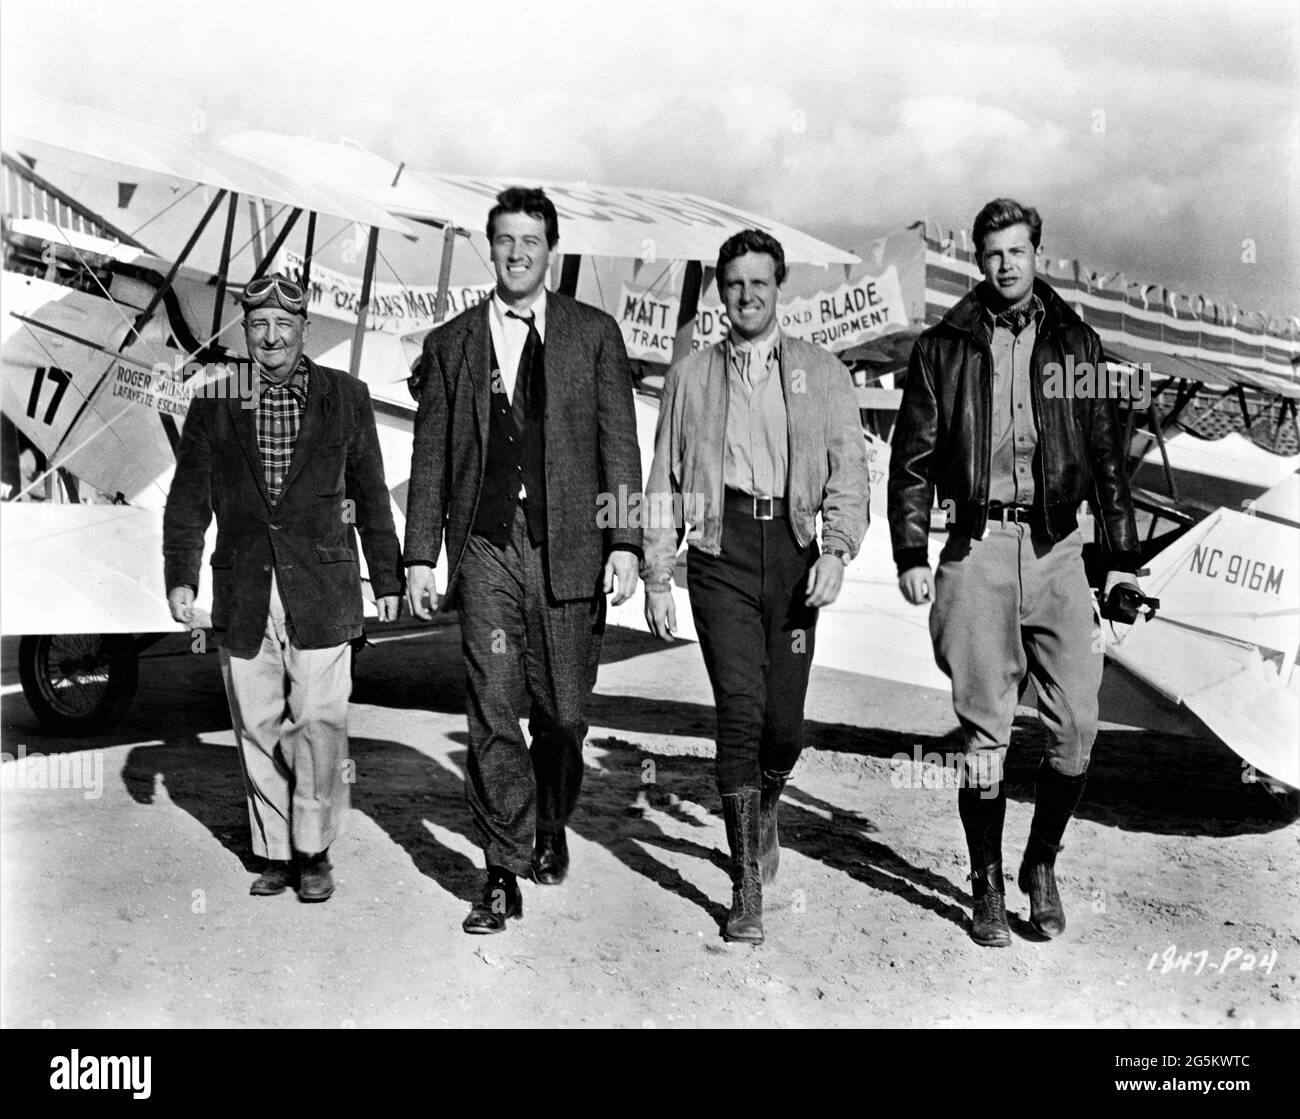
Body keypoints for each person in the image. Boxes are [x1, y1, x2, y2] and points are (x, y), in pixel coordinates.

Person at [888, 198, 1141, 947]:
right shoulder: (944, 347)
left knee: (1077, 729)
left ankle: (1040, 861)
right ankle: (987, 882)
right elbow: (911, 460)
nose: (1005, 265)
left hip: (1060, 551)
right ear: (979, 260)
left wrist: (1120, 563)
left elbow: (1105, 459)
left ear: (1039, 253)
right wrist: (908, 553)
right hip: (978, 550)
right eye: (992, 253)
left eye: (1017, 251)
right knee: (982, 736)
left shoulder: (1076, 345)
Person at [404, 187, 643, 935]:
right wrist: (419, 557)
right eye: (504, 240)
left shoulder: (594, 334)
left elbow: (620, 449)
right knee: (493, 707)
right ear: (490, 246)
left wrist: (628, 541)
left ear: (552, 249)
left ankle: (550, 817)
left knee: (565, 714)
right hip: (485, 549)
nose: (516, 254)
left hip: (570, 549)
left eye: (530, 241)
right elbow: (431, 456)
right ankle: (500, 870)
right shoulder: (452, 344)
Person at [643, 229, 870, 944]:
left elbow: (849, 472)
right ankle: (744, 883)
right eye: (734, 284)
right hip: (721, 551)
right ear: (719, 290)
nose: (746, 295)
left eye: (759, 283)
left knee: (784, 725)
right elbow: (663, 479)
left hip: (796, 551)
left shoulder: (822, 373)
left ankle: (765, 800)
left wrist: (837, 549)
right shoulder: (690, 376)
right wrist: (657, 569)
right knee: (739, 709)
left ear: (781, 288)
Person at [163, 275, 403, 902]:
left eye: (284, 325)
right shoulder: (213, 403)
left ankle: (313, 848)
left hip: (322, 585)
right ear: (246, 331)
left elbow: (371, 494)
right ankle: (274, 849)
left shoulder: (346, 398)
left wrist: (388, 576)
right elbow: (187, 502)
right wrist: (181, 575)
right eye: (259, 325)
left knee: (321, 720)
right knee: (258, 720)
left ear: (305, 330)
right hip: (244, 585)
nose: (271, 337)